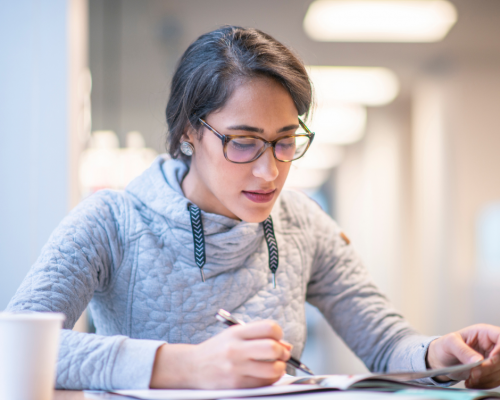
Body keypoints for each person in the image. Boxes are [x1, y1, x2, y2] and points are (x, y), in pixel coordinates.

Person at [7, 26, 500, 391]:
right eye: (242, 143)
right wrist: (188, 366)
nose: (270, 172)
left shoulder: (303, 222)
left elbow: (386, 341)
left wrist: (442, 356)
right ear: (188, 132)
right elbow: (14, 351)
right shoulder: (111, 221)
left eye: (285, 142)